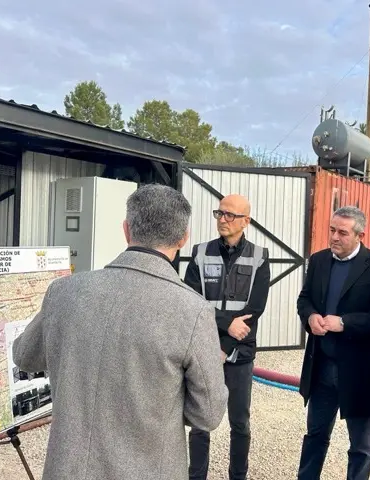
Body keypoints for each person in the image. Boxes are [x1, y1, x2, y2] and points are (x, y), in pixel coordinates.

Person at [12, 184, 228, 480]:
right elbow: (208, 414)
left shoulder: (63, 292)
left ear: (126, 230)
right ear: (183, 238)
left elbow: (24, 356)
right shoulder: (193, 311)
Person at [296, 206, 370, 480]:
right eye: (332, 230)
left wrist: (345, 323)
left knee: (361, 446)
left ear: (360, 235)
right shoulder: (318, 261)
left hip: (360, 370)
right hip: (322, 367)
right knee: (315, 436)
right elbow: (304, 299)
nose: (334, 237)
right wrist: (311, 316)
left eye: (342, 232)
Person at [184, 194, 270, 480]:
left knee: (240, 423)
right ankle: (197, 476)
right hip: (204, 349)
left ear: (246, 221)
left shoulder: (259, 257)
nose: (223, 219)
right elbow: (192, 300)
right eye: (220, 213)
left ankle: (238, 476)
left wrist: (226, 346)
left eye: (230, 215)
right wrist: (226, 324)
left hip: (239, 352)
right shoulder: (200, 253)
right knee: (200, 422)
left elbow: (254, 309)